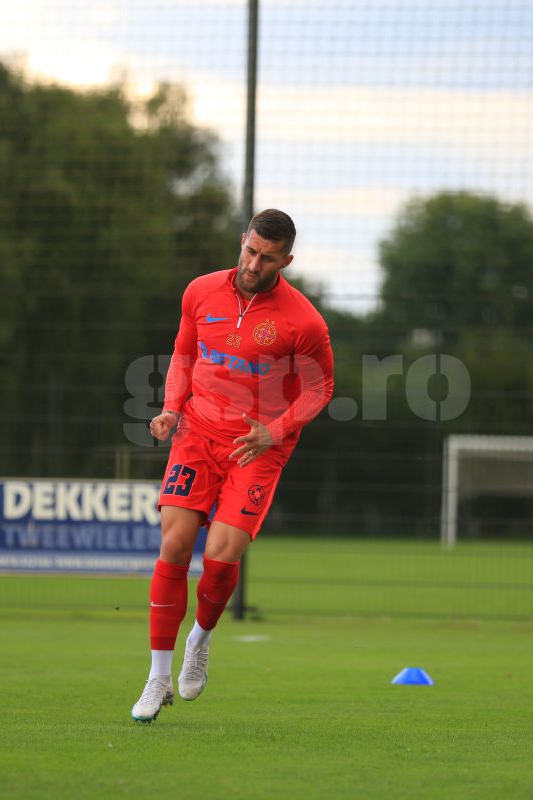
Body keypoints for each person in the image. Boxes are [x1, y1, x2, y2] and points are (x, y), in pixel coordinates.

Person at [131, 209, 334, 723]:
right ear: (242, 241)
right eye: (249, 251)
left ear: (285, 260)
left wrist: (277, 430)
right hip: (196, 434)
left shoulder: (304, 321)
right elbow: (182, 355)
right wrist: (171, 408)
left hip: (255, 447)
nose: (253, 264)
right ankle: (157, 677)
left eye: (267, 258)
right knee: (174, 543)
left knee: (221, 556)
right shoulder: (200, 291)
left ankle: (200, 638)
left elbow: (320, 388)